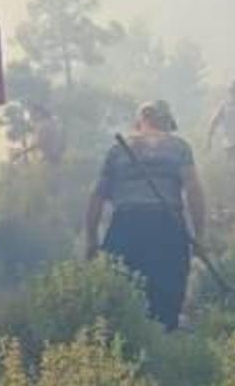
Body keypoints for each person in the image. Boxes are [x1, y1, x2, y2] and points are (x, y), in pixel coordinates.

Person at [86, 102, 207, 331]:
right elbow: (193, 189)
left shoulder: (118, 151)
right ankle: (165, 342)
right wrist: (199, 236)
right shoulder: (179, 147)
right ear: (166, 123)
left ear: (139, 123)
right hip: (167, 226)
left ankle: (126, 345)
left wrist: (91, 239)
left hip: (125, 226)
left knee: (120, 298)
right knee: (167, 299)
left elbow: (97, 195)